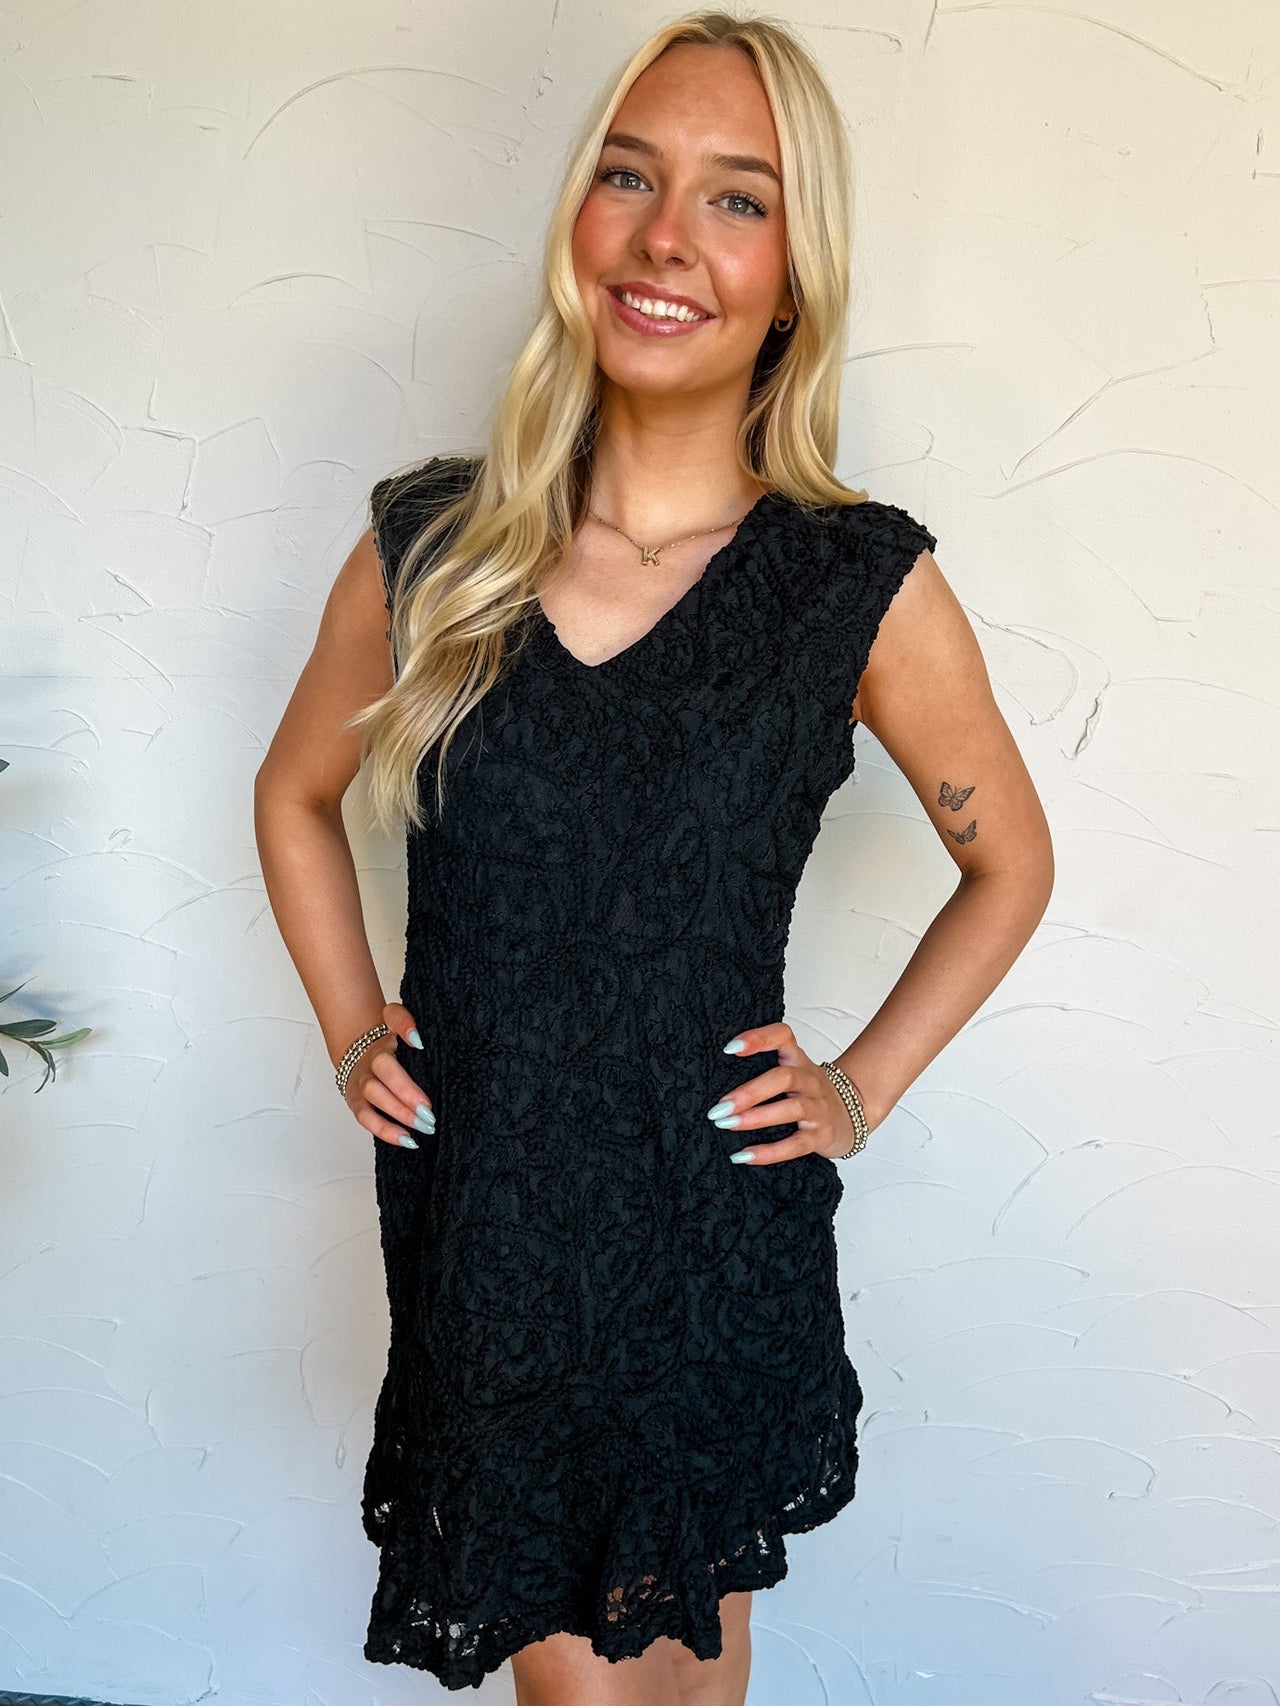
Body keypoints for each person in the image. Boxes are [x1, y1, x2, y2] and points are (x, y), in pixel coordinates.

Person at [254, 11, 1054, 1704]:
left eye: (736, 199)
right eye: (631, 174)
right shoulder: (434, 551)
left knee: (697, 1675)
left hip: (713, 1233)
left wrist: (858, 1086)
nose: (666, 235)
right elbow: (293, 796)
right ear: (580, 218)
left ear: (795, 274)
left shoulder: (854, 586)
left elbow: (1011, 865)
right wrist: (350, 1024)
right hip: (500, 1242)